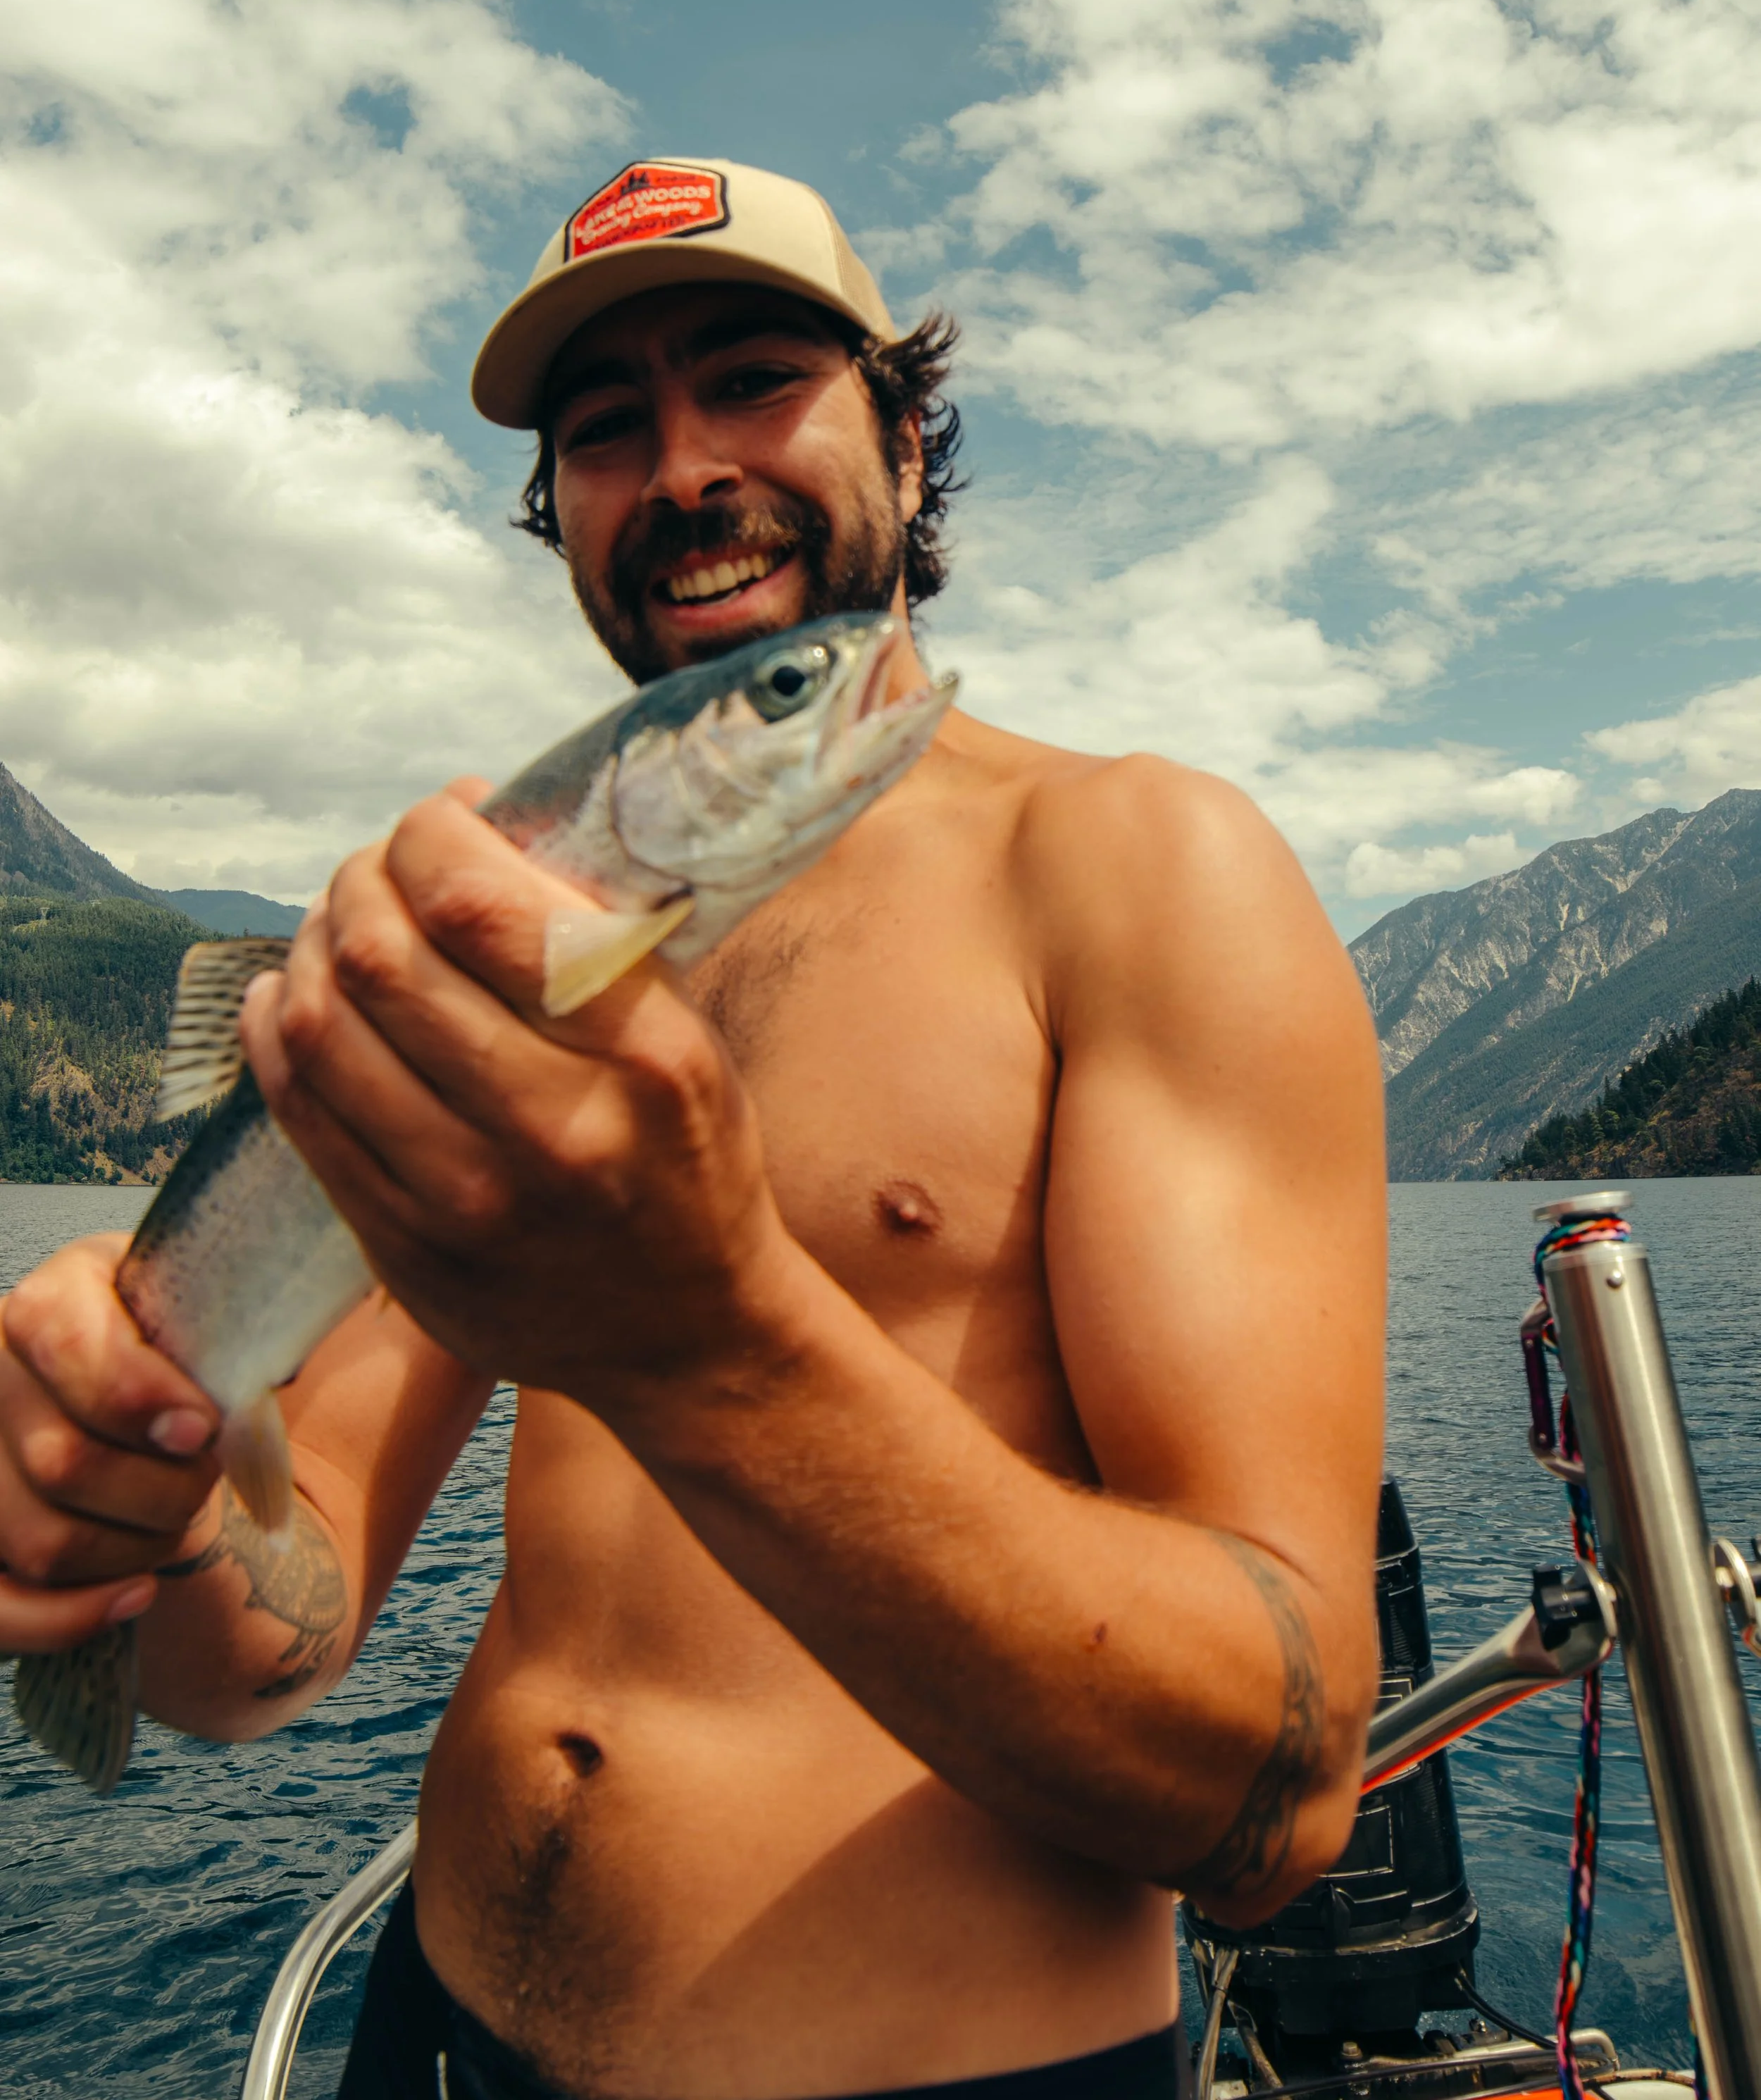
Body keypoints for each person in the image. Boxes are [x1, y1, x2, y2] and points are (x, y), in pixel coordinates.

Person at [0, 158, 1388, 2100]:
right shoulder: (491, 938)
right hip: (435, 2033)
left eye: (751, 377)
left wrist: (708, 1338)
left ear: (906, 439)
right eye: (602, 429)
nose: (678, 468)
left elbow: (1274, 1791)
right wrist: (127, 1506)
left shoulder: (1149, 872)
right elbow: (262, 1649)